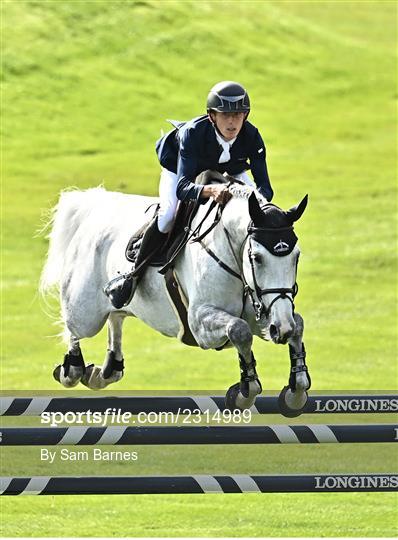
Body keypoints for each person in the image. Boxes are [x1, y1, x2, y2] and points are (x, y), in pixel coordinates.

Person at [104, 81, 274, 309]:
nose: (232, 122)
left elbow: (265, 190)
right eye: (225, 115)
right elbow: (183, 188)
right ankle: (132, 276)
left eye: (238, 114)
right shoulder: (193, 133)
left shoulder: (252, 136)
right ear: (212, 116)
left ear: (245, 115)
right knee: (167, 215)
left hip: (228, 167)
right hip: (179, 168)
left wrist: (255, 207)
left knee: (259, 209)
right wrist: (210, 190)